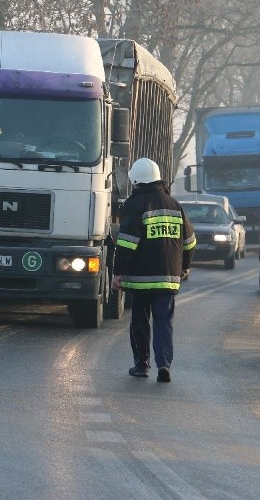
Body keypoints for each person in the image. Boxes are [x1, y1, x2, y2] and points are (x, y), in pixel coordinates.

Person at [111, 158, 196, 383]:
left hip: (140, 279)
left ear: (137, 181)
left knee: (140, 322)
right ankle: (164, 365)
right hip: (168, 278)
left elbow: (127, 243)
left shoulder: (134, 205)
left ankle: (142, 364)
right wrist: (185, 266)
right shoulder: (175, 205)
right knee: (163, 323)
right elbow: (189, 241)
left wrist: (118, 272)